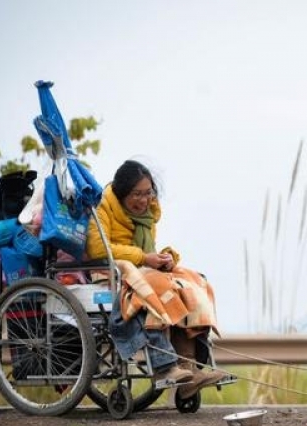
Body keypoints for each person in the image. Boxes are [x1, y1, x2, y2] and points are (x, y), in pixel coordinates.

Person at [87, 159, 228, 397]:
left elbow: (148, 253)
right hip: (114, 273)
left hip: (143, 270)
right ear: (121, 195)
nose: (144, 200)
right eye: (137, 194)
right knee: (157, 286)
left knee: (191, 282)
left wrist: (165, 258)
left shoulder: (147, 216)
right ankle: (163, 367)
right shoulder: (103, 208)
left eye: (148, 193)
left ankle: (188, 368)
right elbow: (98, 249)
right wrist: (143, 258)